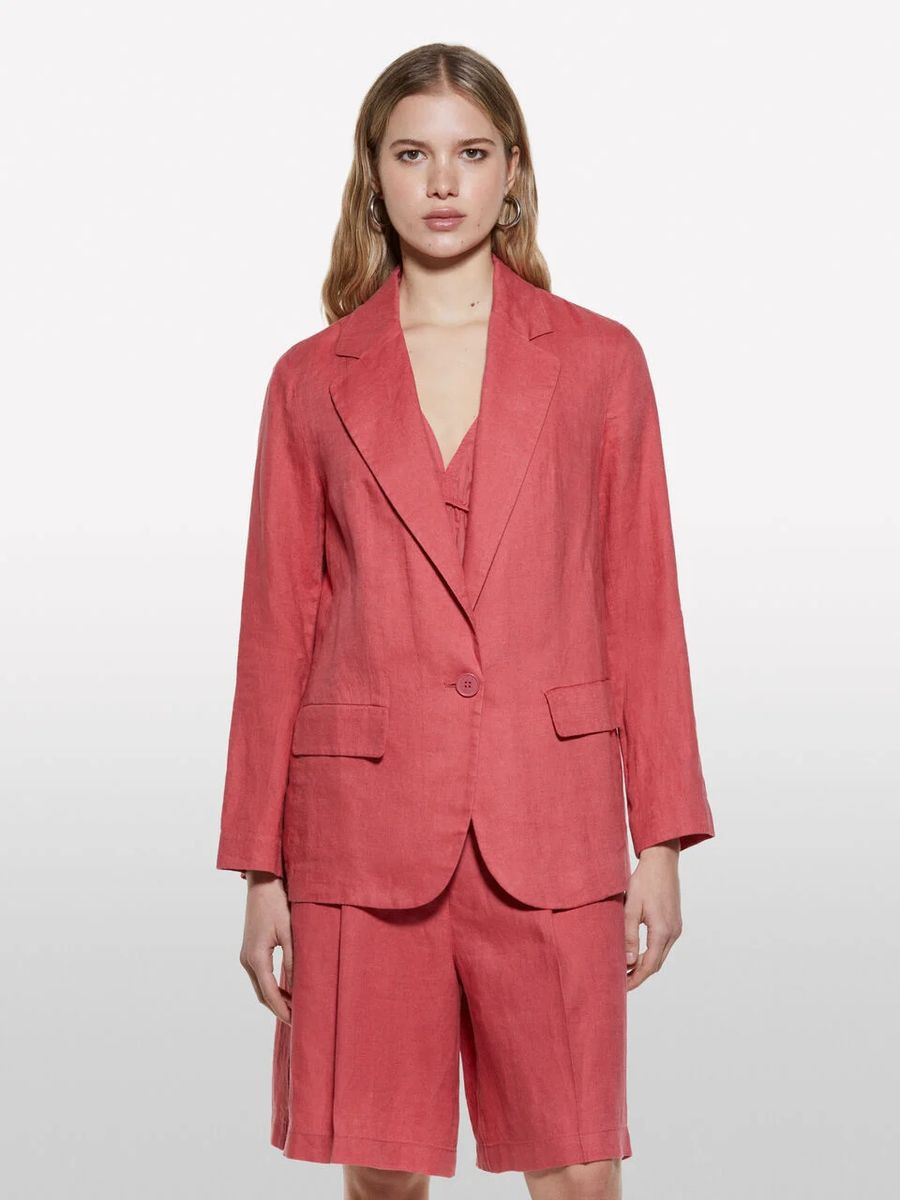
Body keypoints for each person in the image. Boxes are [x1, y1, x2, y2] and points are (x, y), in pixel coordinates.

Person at [215, 42, 715, 1200]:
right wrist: (259, 869)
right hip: (360, 830)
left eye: (472, 153)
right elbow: (275, 630)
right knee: (383, 1176)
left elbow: (643, 607)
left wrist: (661, 843)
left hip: (552, 820)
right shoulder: (310, 380)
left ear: (513, 172)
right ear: (374, 174)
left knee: (578, 1170)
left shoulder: (599, 363)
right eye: (413, 154)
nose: (443, 181)